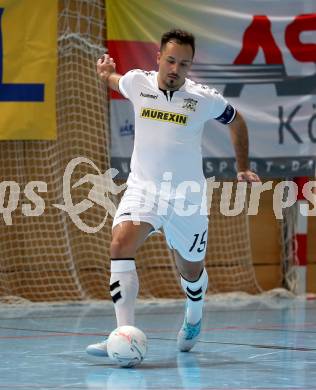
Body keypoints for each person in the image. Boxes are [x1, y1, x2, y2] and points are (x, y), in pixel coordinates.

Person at [86, 29, 260, 357]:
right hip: (144, 188)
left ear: (190, 66)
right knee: (120, 243)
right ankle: (123, 334)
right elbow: (115, 80)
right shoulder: (139, 83)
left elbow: (236, 121)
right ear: (158, 58)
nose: (175, 69)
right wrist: (107, 73)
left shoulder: (203, 98)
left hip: (186, 198)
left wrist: (242, 166)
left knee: (190, 271)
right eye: (170, 60)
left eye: (184, 63)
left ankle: (194, 313)